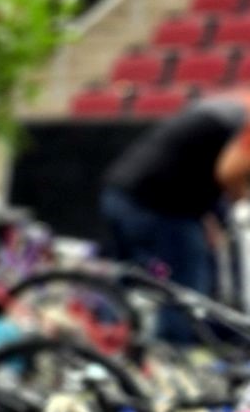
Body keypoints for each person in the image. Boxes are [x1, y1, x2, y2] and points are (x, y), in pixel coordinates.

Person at [101, 89, 250, 305]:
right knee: (186, 284)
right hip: (156, 204)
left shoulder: (228, 107)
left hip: (123, 193)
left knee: (130, 279)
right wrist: (241, 198)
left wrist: (207, 214)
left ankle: (108, 330)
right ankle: (176, 337)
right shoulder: (242, 117)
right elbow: (229, 172)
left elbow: (200, 164)